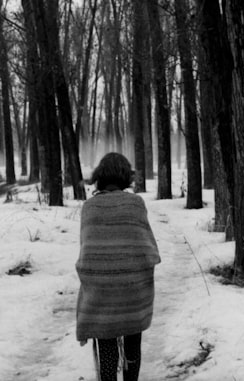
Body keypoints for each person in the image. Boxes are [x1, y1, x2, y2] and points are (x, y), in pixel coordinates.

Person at [76, 152, 161, 381]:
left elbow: (88, 252)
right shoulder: (135, 203)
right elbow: (148, 247)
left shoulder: (90, 207)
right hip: (133, 288)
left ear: (100, 176)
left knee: (106, 345)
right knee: (133, 343)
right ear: (126, 177)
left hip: (101, 291)